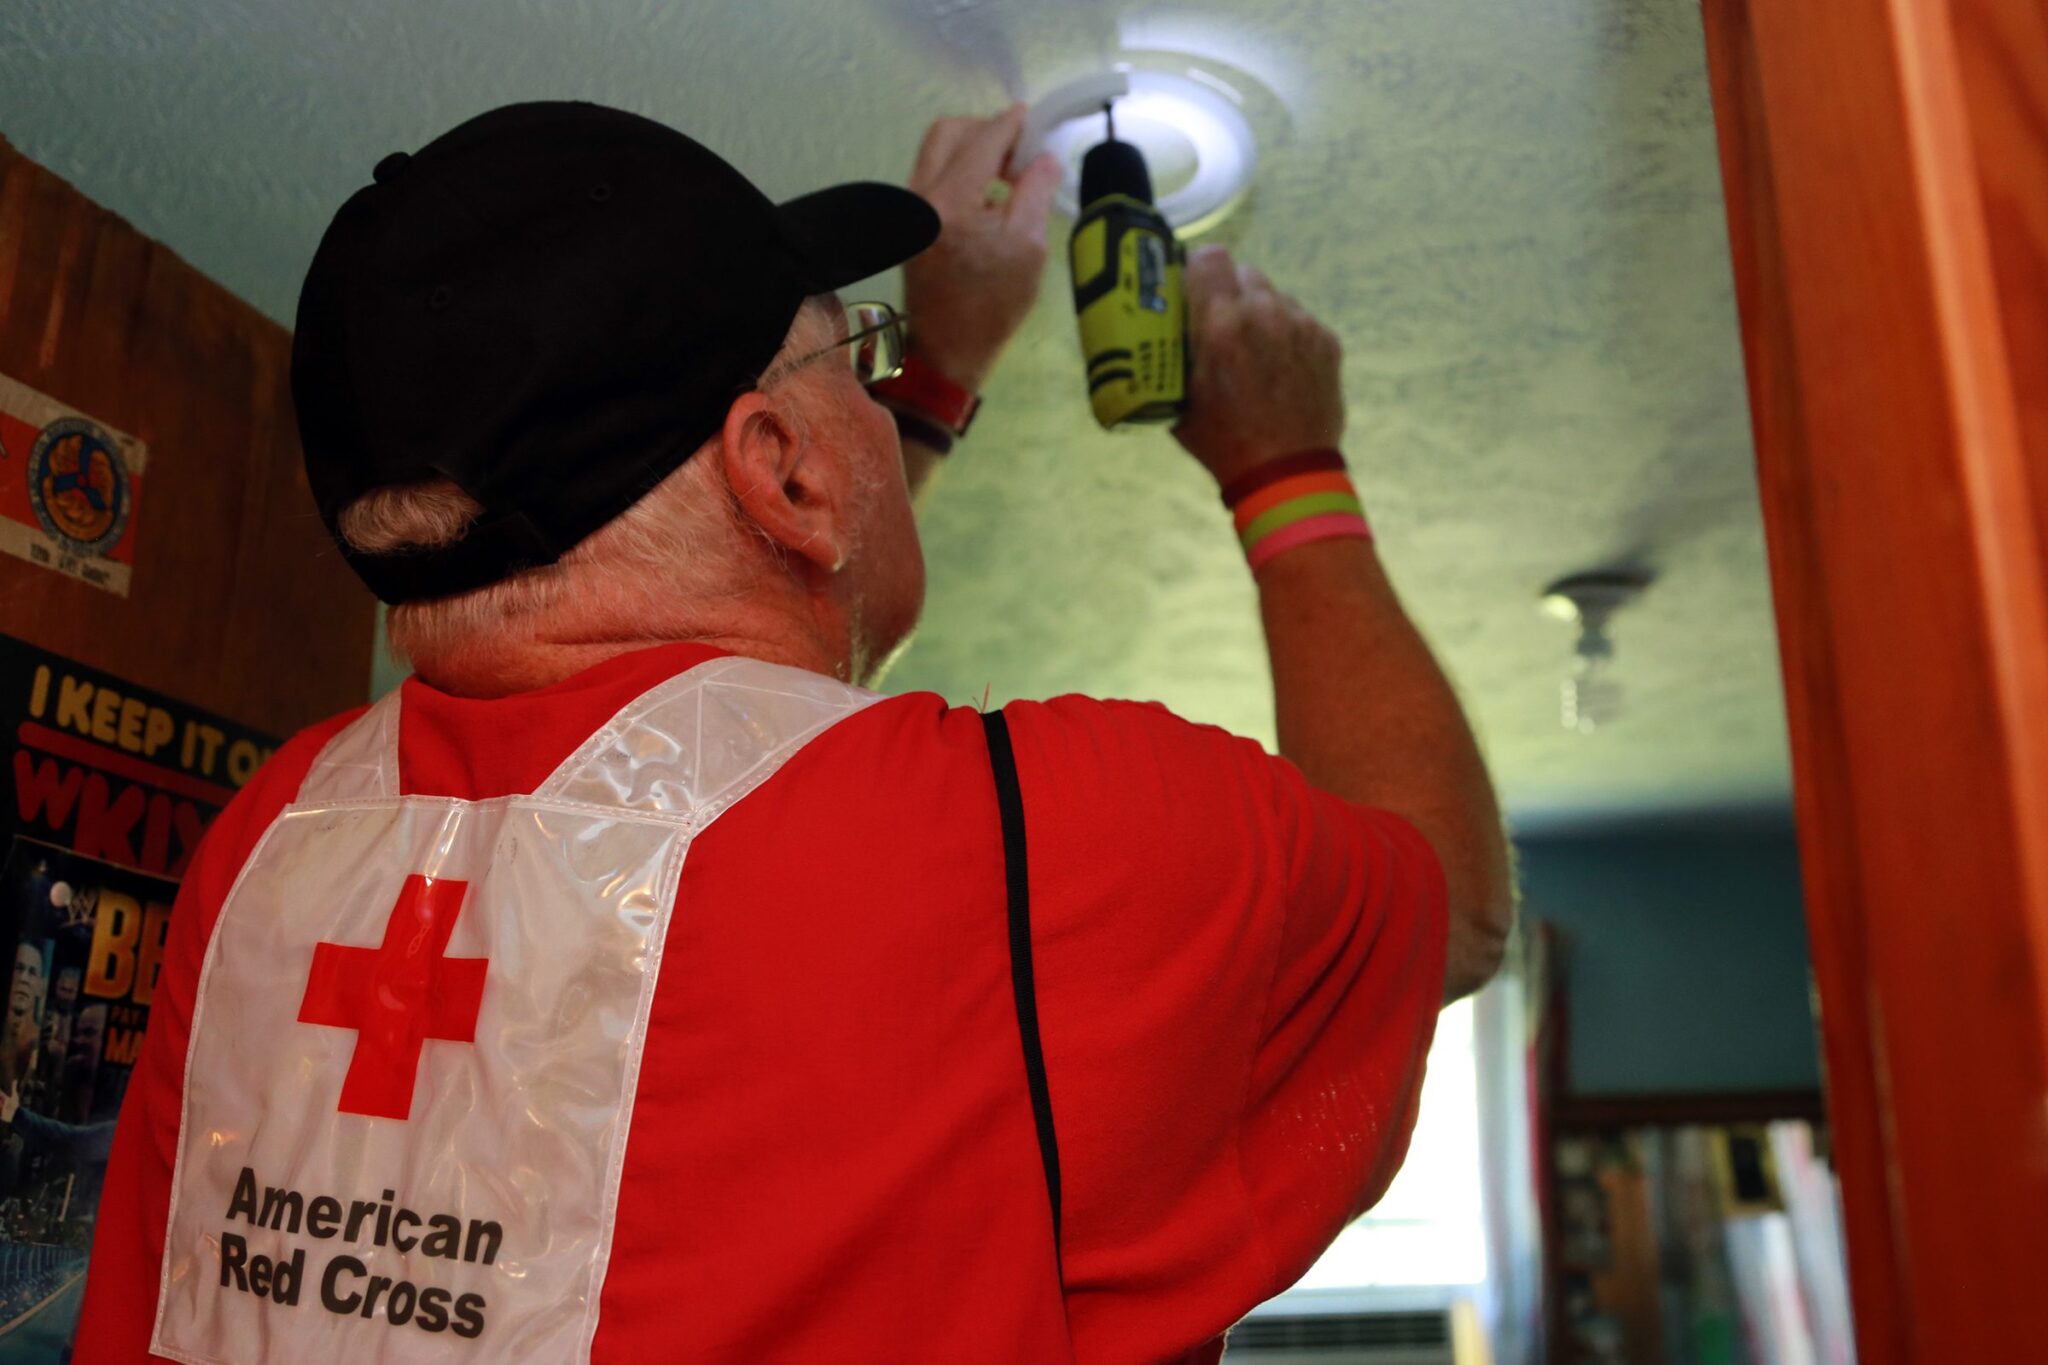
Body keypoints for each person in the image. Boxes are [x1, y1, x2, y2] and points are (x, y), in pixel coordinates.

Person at [74, 99, 1512, 1363]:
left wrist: (926, 381)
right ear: (783, 470)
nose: (883, 405)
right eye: (860, 368)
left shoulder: (267, 852)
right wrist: (1289, 469)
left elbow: (732, 749)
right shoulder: (1057, 844)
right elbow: (1446, 906)